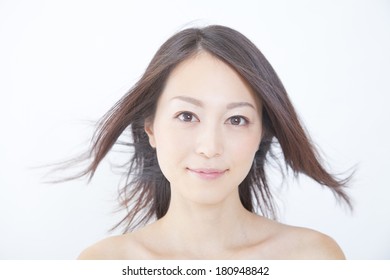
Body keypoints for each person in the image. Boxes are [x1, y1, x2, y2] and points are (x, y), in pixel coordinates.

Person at [76, 25, 351, 259]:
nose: (210, 147)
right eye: (187, 116)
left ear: (262, 134)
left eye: (236, 120)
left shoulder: (313, 259)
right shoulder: (102, 264)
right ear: (151, 127)